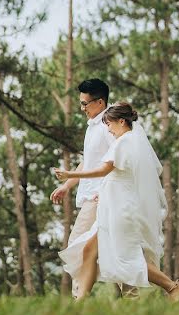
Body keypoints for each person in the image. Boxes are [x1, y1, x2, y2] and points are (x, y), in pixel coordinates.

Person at [54, 102, 179, 301]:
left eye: (109, 124)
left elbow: (103, 170)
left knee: (126, 257)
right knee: (89, 250)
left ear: (121, 121)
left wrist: (70, 173)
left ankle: (172, 287)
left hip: (120, 210)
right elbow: (118, 176)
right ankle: (80, 303)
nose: (108, 129)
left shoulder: (124, 142)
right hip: (112, 206)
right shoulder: (129, 142)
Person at [50, 78, 129, 297]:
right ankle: (134, 296)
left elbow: (117, 160)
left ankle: (79, 298)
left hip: (100, 197)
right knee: (108, 249)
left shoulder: (108, 126)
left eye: (85, 103)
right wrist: (67, 186)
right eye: (81, 103)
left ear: (100, 102)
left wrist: (106, 193)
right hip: (91, 196)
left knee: (77, 246)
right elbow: (90, 160)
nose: (82, 108)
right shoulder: (93, 126)